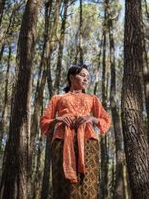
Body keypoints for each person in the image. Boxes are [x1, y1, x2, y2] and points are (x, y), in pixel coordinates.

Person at [40, 64, 111, 199]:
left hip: (88, 141)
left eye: (88, 77)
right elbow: (44, 122)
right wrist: (58, 119)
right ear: (72, 77)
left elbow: (106, 119)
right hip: (62, 140)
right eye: (83, 75)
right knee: (62, 181)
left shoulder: (92, 98)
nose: (86, 79)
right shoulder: (57, 98)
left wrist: (91, 118)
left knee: (88, 181)